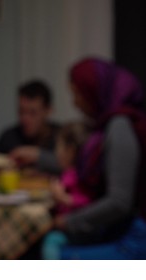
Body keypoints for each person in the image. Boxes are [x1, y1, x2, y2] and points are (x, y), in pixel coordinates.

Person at [42, 57, 146, 260]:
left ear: (94, 91)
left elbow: (119, 202)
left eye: (78, 94)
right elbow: (70, 165)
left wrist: (70, 220)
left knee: (53, 251)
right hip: (122, 230)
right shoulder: (108, 126)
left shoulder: (119, 127)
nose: (75, 103)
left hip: (135, 239)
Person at [0, 80, 60, 171]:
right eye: (21, 111)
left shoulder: (61, 137)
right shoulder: (8, 137)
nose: (25, 118)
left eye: (32, 113)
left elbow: (72, 167)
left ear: (48, 111)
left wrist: (38, 156)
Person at [50, 122, 91, 215]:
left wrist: (64, 198)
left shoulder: (76, 176)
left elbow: (88, 203)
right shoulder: (69, 173)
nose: (56, 151)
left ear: (70, 150)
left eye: (59, 146)